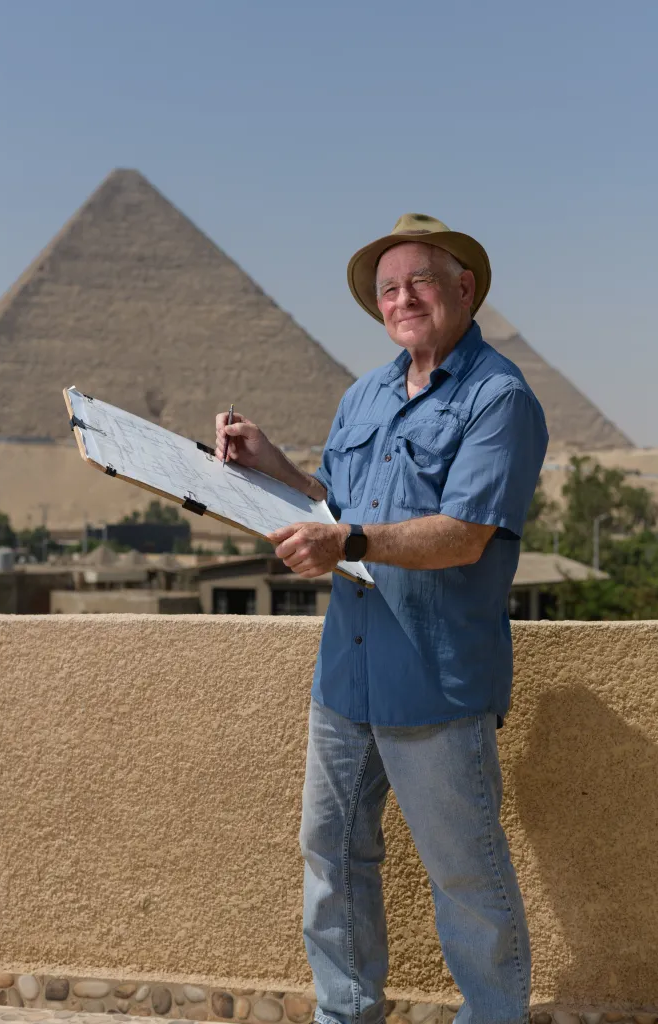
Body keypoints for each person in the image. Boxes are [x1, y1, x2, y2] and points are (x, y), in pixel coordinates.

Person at [215, 213, 548, 1024]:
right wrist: (271, 464)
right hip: (346, 677)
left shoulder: (498, 399)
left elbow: (464, 535)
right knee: (330, 860)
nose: (402, 299)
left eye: (420, 281)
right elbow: (333, 505)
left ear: (463, 288)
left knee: (467, 882)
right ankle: (346, 1013)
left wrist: (349, 538)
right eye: (388, 288)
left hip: (435, 686)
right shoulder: (362, 394)